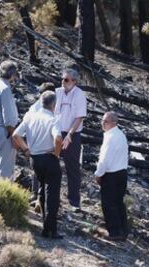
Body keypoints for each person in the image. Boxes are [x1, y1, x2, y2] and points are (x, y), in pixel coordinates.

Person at [13, 91, 63, 239]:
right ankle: (50, 230)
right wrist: (57, 154)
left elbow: (16, 135)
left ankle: (44, 224)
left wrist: (26, 149)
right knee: (52, 194)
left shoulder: (30, 117)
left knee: (42, 189)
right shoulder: (53, 119)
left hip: (34, 158)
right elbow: (58, 138)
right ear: (53, 105)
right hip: (49, 157)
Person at [55, 68, 87, 212]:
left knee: (72, 168)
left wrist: (70, 135)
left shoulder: (80, 95)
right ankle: (43, 195)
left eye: (66, 80)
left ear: (74, 81)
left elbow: (79, 117)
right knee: (50, 162)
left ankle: (74, 200)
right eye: (62, 79)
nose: (63, 82)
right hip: (56, 133)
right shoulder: (57, 92)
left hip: (72, 135)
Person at [95, 112, 129, 241]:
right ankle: (123, 231)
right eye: (102, 121)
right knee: (118, 203)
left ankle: (114, 232)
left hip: (112, 174)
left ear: (113, 122)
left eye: (106, 121)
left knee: (109, 204)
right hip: (122, 173)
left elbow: (104, 160)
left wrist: (98, 174)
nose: (103, 124)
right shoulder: (121, 135)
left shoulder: (110, 137)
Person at [26, 82, 56, 204]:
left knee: (36, 171)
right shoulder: (52, 108)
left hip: (34, 144)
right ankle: (41, 197)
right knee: (48, 174)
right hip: (48, 146)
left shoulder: (34, 107)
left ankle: (35, 195)